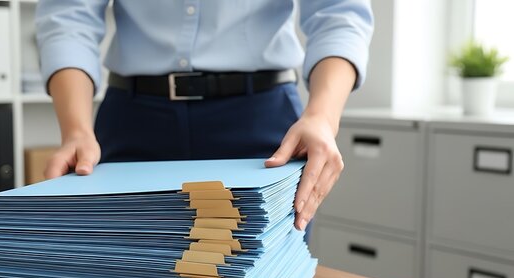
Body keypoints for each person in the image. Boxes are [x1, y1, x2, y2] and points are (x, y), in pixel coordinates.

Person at [35, 0, 374, 235]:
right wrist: (75, 130)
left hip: (260, 124)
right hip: (133, 120)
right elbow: (69, 16)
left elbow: (339, 13)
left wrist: (323, 118)